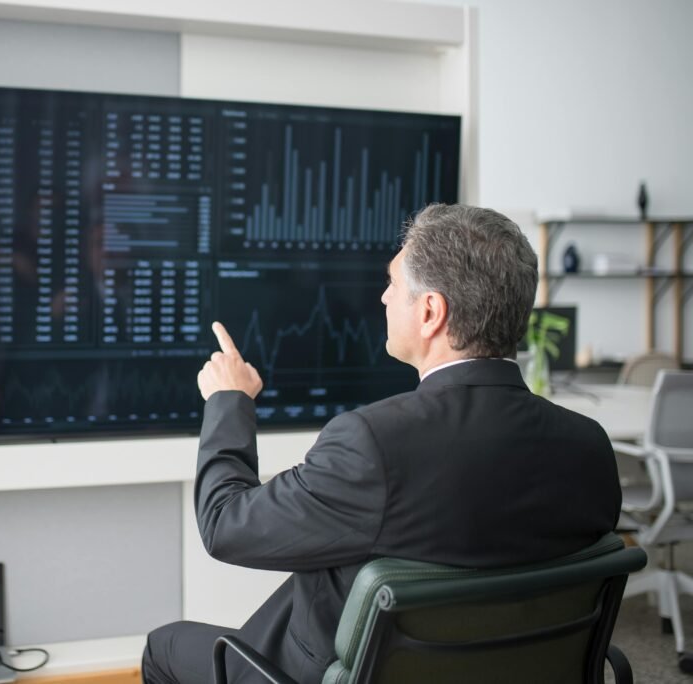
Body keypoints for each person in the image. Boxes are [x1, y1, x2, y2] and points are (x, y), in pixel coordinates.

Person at [142, 203, 621, 683]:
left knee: (164, 645)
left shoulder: (374, 445)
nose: (383, 297)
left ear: (431, 311)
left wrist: (229, 401)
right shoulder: (590, 448)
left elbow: (226, 524)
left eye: (393, 282)